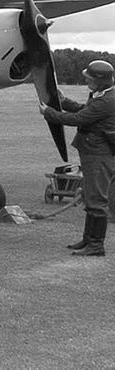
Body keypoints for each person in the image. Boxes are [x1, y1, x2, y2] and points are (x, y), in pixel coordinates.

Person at [39, 60, 115, 256]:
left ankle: (96, 245)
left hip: (99, 155)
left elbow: (79, 119)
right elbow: (84, 110)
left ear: (100, 81)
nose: (87, 80)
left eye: (89, 78)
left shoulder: (107, 101)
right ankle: (88, 240)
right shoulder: (102, 95)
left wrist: (50, 113)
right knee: (91, 196)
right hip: (93, 152)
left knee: (97, 199)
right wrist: (64, 102)